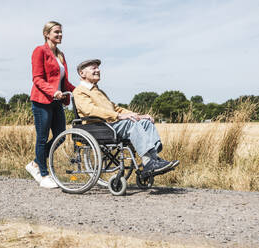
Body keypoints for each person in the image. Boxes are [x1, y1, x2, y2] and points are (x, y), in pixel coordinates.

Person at [73, 59, 179, 174]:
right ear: (82, 73)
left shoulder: (98, 91)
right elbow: (90, 110)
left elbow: (116, 107)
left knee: (146, 123)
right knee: (130, 123)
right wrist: (118, 116)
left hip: (109, 125)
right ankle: (148, 163)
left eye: (98, 68)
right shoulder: (79, 91)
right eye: (93, 68)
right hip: (97, 127)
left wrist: (138, 116)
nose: (98, 70)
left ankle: (153, 159)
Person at [26, 21, 75, 188]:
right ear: (47, 34)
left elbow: (64, 82)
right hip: (42, 100)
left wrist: (80, 91)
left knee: (60, 135)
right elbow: (37, 78)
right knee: (42, 137)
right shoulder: (40, 51)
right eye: (56, 32)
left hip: (57, 102)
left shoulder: (61, 55)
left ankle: (34, 164)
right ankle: (44, 175)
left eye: (61, 32)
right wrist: (52, 91)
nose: (60, 35)